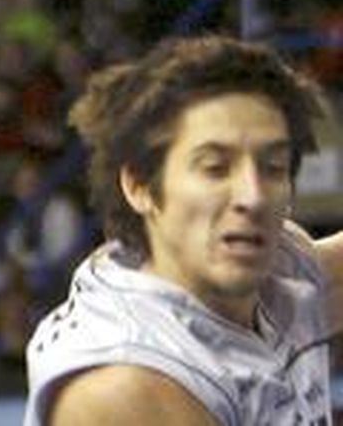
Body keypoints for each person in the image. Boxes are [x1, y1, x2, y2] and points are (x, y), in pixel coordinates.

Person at [24, 35, 338, 425]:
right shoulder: (127, 391)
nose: (252, 195)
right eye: (214, 168)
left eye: (272, 166)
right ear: (139, 185)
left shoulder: (278, 264)